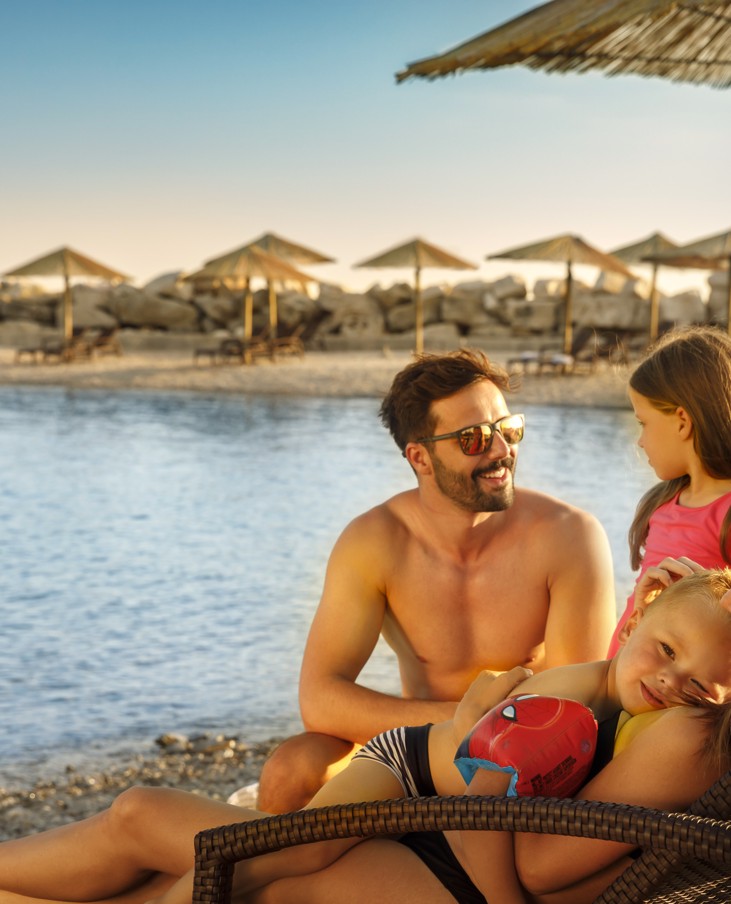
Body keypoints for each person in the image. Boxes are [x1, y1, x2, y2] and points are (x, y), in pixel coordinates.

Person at [1, 568, 729, 904]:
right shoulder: (589, 691)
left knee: (173, 831)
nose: (674, 682)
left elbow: (489, 790)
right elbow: (477, 762)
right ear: (636, 618)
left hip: (451, 814)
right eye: (666, 652)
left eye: (702, 682)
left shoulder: (682, 734)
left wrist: (457, 742)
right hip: (418, 777)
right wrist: (455, 742)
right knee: (268, 851)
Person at [253, 348, 617, 812]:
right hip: (419, 751)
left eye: (509, 430)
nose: (502, 450)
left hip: (524, 749)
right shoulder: (375, 543)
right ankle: (256, 881)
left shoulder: (568, 536)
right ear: (420, 458)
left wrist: (481, 725)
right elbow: (321, 698)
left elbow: (576, 705)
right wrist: (456, 721)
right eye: (473, 439)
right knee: (292, 767)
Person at [607, 324, 731, 656]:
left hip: (671, 692)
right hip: (620, 674)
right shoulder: (662, 503)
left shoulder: (727, 513)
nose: (640, 440)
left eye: (643, 422)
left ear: (681, 421)